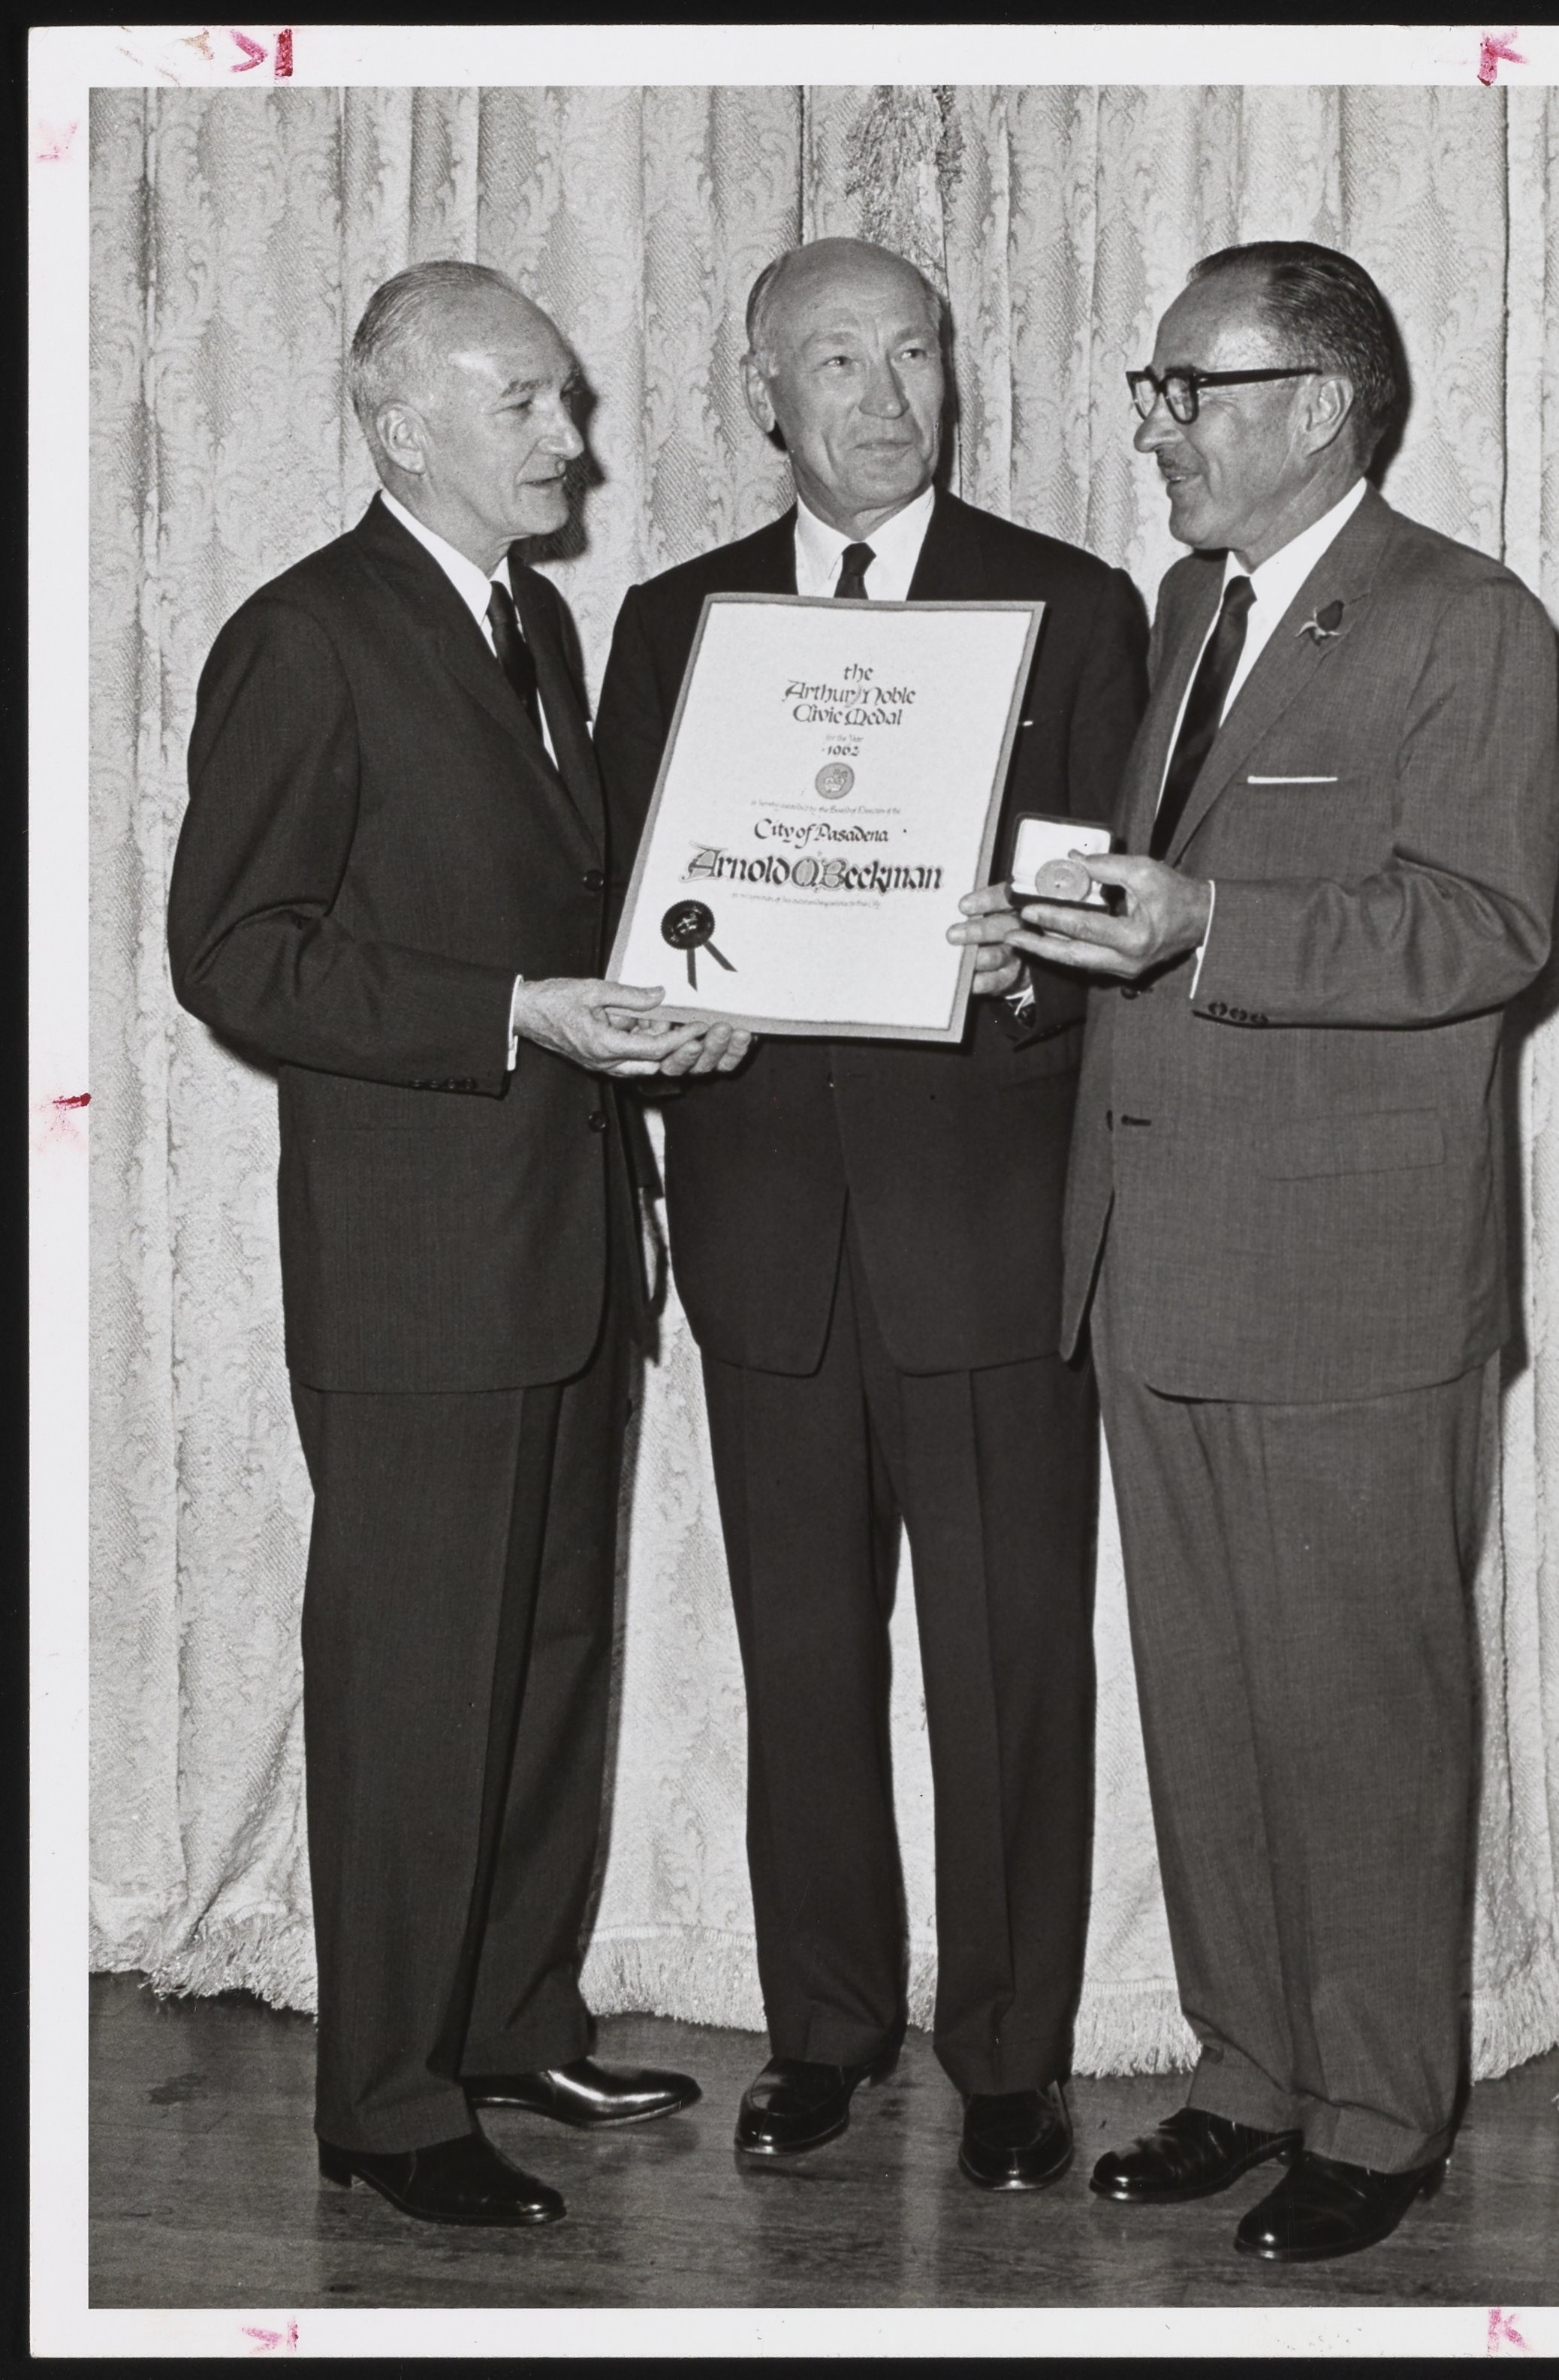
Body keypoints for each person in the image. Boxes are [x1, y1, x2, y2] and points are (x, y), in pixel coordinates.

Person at [167, 261, 750, 2230]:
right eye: (527, 403)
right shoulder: (305, 636)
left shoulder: (529, 624)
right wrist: (513, 1014)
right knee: (416, 1687)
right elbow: (236, 954)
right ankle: (387, 2101)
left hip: (566, 1246)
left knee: (548, 1662)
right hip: (420, 1277)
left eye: (566, 400)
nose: (570, 438)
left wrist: (651, 1006)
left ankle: (506, 2025)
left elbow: (546, 909)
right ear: (399, 421)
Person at [1000, 240, 1559, 2261]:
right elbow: (1169, 898)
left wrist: (1205, 926)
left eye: (1192, 388)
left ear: (1319, 404)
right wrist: (1056, 938)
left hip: (1350, 1289)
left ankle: (1382, 2112)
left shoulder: (1465, 621)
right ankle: (1248, 2072)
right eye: (1151, 388)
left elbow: (1488, 927)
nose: (1154, 426)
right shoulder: (1191, 604)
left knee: (1359, 1718)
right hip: (1155, 1258)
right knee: (1213, 1708)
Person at [595, 237, 1147, 2191]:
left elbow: (1105, 907)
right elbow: (633, 894)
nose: (886, 396)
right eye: (837, 361)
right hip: (765, 1227)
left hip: (981, 1227)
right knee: (804, 1662)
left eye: (914, 353)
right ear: (761, 394)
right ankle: (822, 2030)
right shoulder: (675, 620)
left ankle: (1009, 2055)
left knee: (1007, 1666)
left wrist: (1029, 964)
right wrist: (659, 982)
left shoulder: (1070, 606)